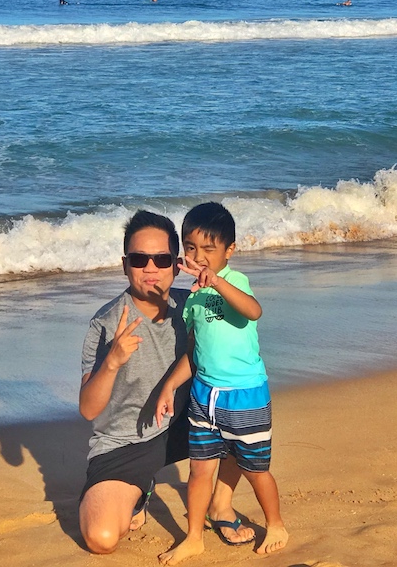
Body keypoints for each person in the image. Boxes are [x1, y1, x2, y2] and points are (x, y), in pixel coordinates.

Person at [78, 210, 252, 555]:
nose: (151, 269)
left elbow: (243, 329)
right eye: (140, 259)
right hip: (125, 442)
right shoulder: (107, 322)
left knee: (243, 407)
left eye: (162, 259)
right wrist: (111, 362)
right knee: (101, 539)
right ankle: (140, 491)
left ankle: (221, 504)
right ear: (125, 264)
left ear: (177, 264)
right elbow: (88, 409)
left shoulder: (195, 306)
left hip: (188, 423)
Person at [155, 202, 288, 564]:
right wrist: (169, 385)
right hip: (204, 396)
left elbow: (253, 310)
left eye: (209, 250)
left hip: (245, 396)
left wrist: (216, 281)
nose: (199, 257)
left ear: (229, 251)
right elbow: (195, 353)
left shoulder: (235, 281)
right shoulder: (193, 300)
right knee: (199, 471)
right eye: (191, 248)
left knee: (254, 469)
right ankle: (194, 536)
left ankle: (275, 524)